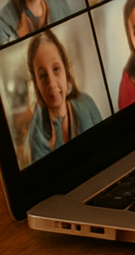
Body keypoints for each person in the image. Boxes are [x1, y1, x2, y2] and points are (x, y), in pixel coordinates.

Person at [25, 29, 103, 163]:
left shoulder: (87, 104)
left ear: (66, 69)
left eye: (56, 69)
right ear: (36, 83)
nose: (51, 83)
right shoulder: (36, 139)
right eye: (43, 75)